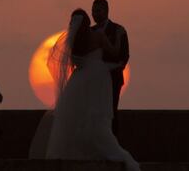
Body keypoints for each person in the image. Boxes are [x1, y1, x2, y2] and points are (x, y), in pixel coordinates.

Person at [30, 9, 140, 171]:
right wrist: (118, 36)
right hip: (99, 77)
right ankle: (104, 148)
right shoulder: (98, 36)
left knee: (78, 115)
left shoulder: (74, 42)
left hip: (79, 78)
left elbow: (75, 63)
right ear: (88, 21)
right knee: (97, 115)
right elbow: (115, 51)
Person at [91, 0, 129, 137]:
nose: (95, 14)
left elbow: (124, 55)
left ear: (106, 11)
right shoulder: (90, 31)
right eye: (93, 11)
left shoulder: (119, 30)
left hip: (113, 79)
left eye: (98, 11)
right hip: (95, 81)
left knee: (111, 112)